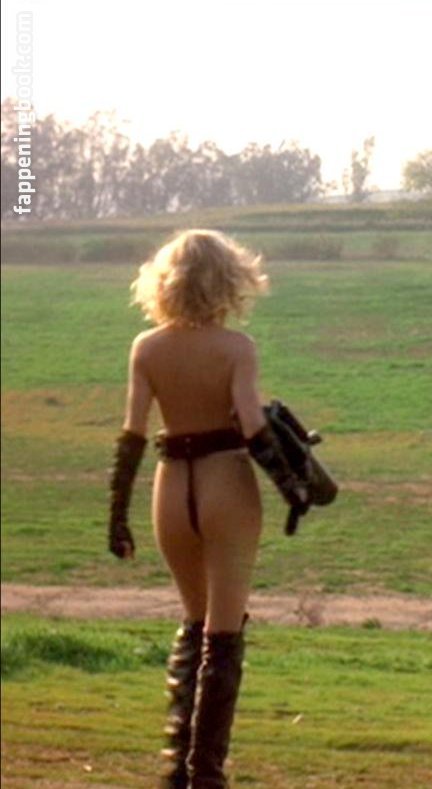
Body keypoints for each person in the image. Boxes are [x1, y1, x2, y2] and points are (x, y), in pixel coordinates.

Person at [106, 230, 306, 788]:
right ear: (228, 280)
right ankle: (207, 776)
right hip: (225, 481)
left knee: (193, 624)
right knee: (223, 630)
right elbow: (253, 425)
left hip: (170, 485)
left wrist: (116, 514)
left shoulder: (146, 348)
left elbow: (132, 435)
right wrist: (292, 487)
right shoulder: (237, 349)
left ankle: (177, 770)